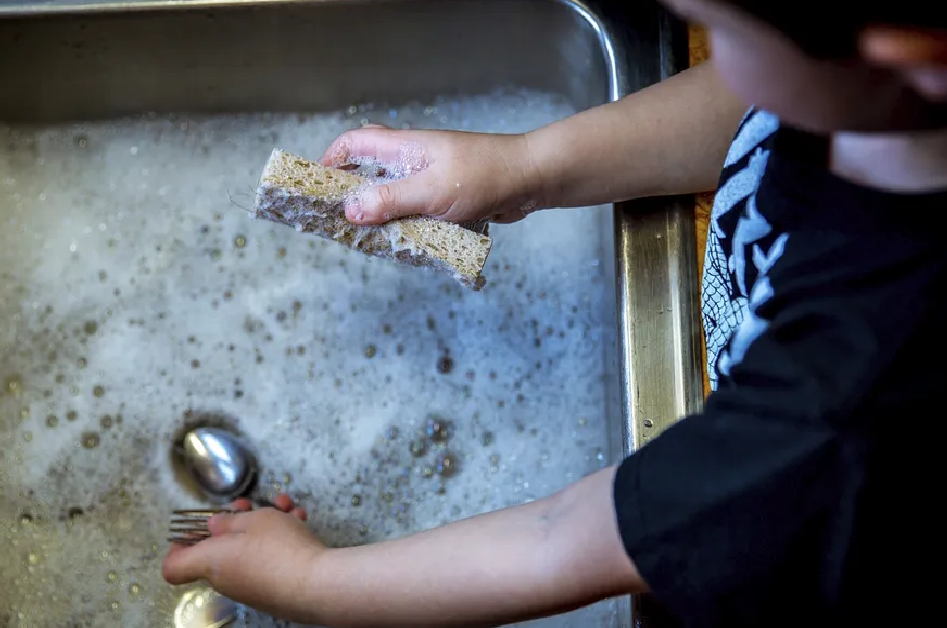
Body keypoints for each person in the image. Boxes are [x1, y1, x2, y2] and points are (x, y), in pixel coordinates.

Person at [163, 1, 947, 625]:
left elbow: (564, 541)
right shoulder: (875, 101)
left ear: (906, 49)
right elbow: (752, 106)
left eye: (724, 33)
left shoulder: (843, 405)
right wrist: (525, 166)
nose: (711, 54)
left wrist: (312, 582)